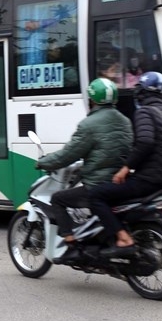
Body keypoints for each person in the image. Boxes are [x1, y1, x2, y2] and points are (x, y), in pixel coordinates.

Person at [89, 71, 162, 255]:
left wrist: (125, 168)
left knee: (96, 196)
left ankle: (123, 238)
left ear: (142, 92)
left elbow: (145, 143)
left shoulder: (145, 112)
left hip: (148, 181)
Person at [35, 78, 132, 255]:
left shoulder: (89, 124)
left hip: (98, 184)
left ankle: (71, 243)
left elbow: (68, 155)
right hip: (120, 184)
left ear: (92, 100)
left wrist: (44, 162)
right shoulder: (125, 121)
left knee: (58, 199)